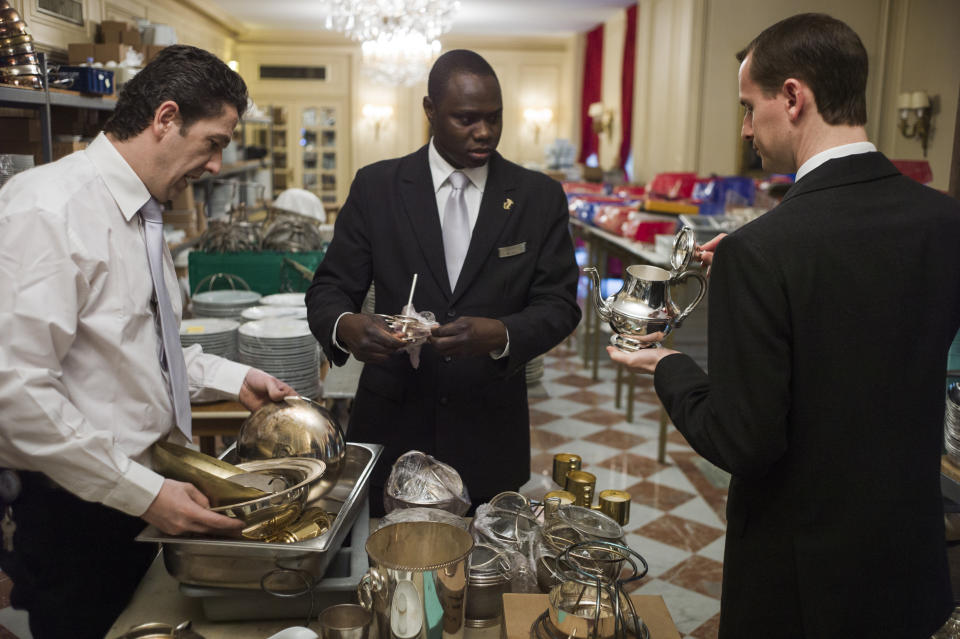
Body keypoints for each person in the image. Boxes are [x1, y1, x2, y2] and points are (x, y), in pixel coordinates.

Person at [608, 13, 960, 638]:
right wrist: (749, 288)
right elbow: (866, 322)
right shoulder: (945, 221)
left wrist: (668, 365)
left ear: (793, 98)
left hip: (801, 586)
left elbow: (744, 439)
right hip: (909, 565)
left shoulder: (763, 249)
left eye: (749, 107)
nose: (745, 129)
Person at [0, 45, 296, 639]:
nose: (215, 166)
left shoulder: (142, 212)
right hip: (79, 508)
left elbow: (141, 351)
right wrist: (141, 493)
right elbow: (17, 393)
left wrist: (231, 377)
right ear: (165, 119)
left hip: (144, 487)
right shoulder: (46, 208)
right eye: (213, 142)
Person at [306, 49, 581, 515]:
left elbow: (559, 304)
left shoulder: (538, 197)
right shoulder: (377, 187)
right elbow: (328, 290)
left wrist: (504, 334)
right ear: (430, 111)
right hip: (392, 427)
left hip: (489, 432)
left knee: (482, 577)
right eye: (467, 119)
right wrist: (347, 327)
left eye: (494, 118)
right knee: (388, 575)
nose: (485, 132)